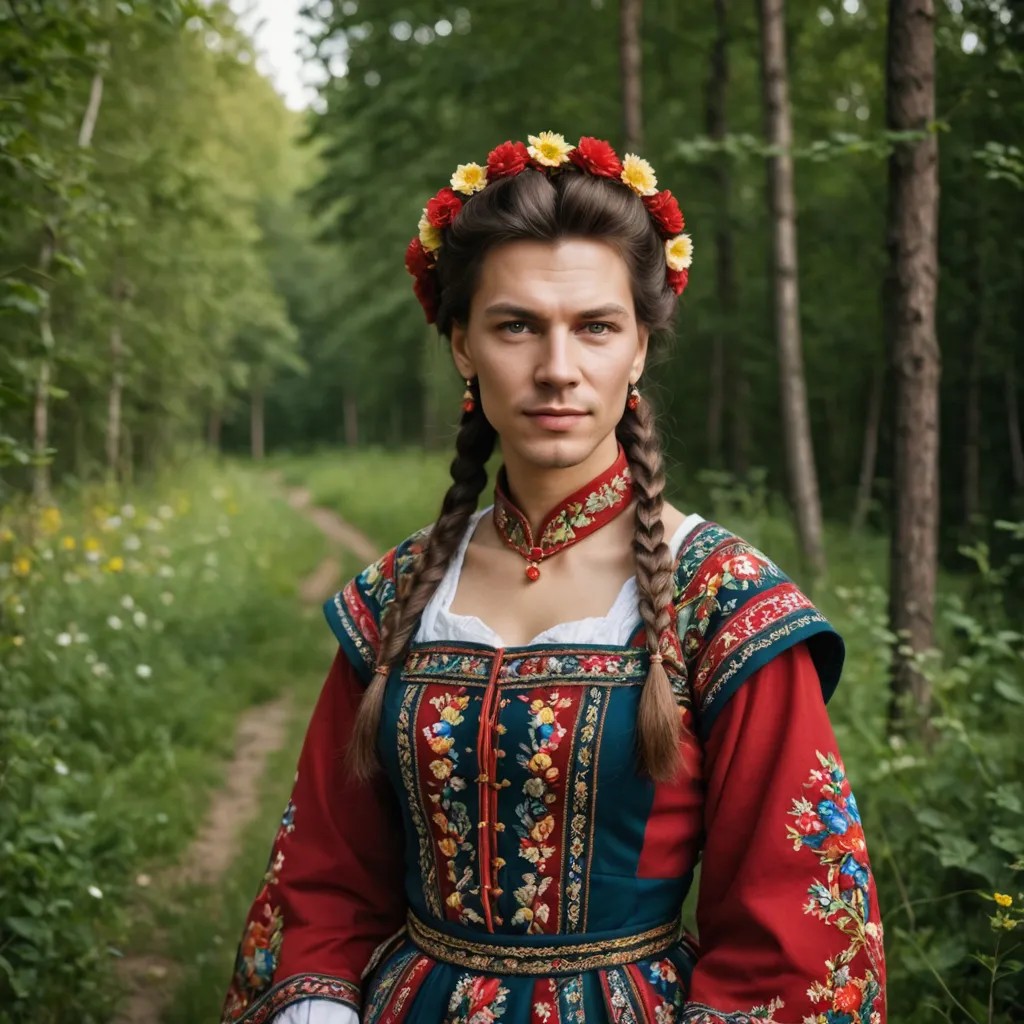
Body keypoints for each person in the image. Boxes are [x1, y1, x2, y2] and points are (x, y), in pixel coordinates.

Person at [221, 131, 886, 1024]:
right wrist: (318, 1003)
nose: (557, 369)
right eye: (516, 325)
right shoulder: (398, 596)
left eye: (597, 327)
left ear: (640, 348)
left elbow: (797, 927)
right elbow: (322, 875)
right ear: (462, 346)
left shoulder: (724, 604)